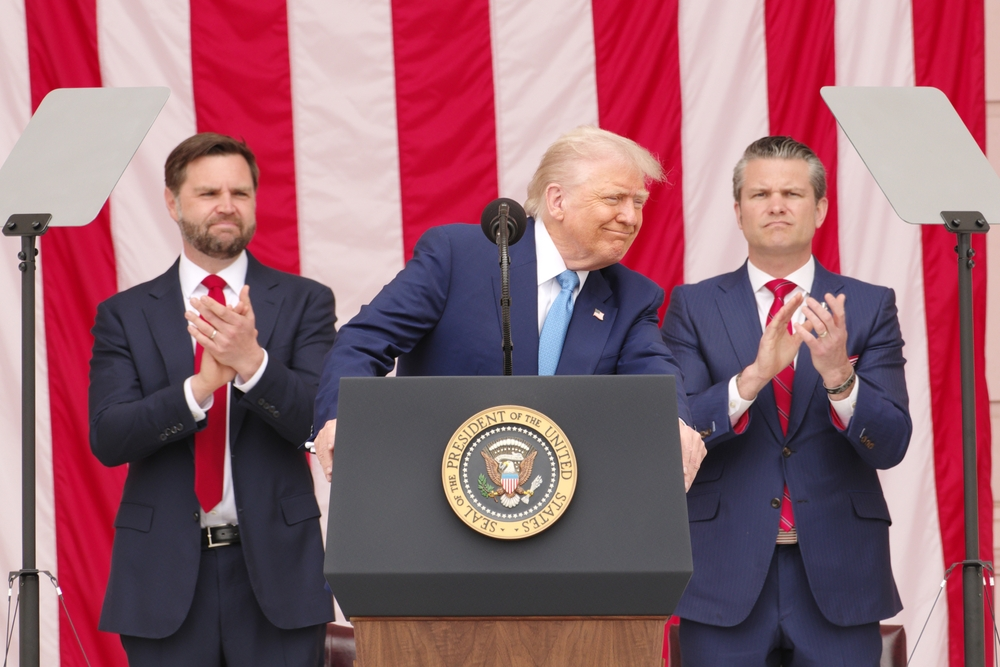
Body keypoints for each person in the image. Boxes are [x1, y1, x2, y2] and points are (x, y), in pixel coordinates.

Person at [312, 125, 705, 488]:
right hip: (437, 495)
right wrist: (339, 417)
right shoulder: (457, 257)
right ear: (557, 200)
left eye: (638, 202)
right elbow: (364, 342)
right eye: (614, 199)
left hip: (559, 511)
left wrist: (677, 425)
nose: (631, 217)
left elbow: (658, 378)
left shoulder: (632, 296)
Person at [662, 136, 911, 665]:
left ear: (819, 208)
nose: (776, 205)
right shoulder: (693, 306)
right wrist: (752, 378)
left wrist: (841, 377)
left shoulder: (867, 306)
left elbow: (889, 444)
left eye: (792, 194)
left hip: (840, 572)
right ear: (737, 211)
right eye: (760, 194)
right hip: (723, 572)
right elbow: (677, 431)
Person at [89, 133, 337, 666]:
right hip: (162, 579)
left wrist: (253, 363)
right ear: (172, 203)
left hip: (278, 577)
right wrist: (199, 389)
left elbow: (317, 425)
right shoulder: (125, 314)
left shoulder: (305, 302)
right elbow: (109, 438)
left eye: (240, 193)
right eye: (208, 193)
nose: (227, 205)